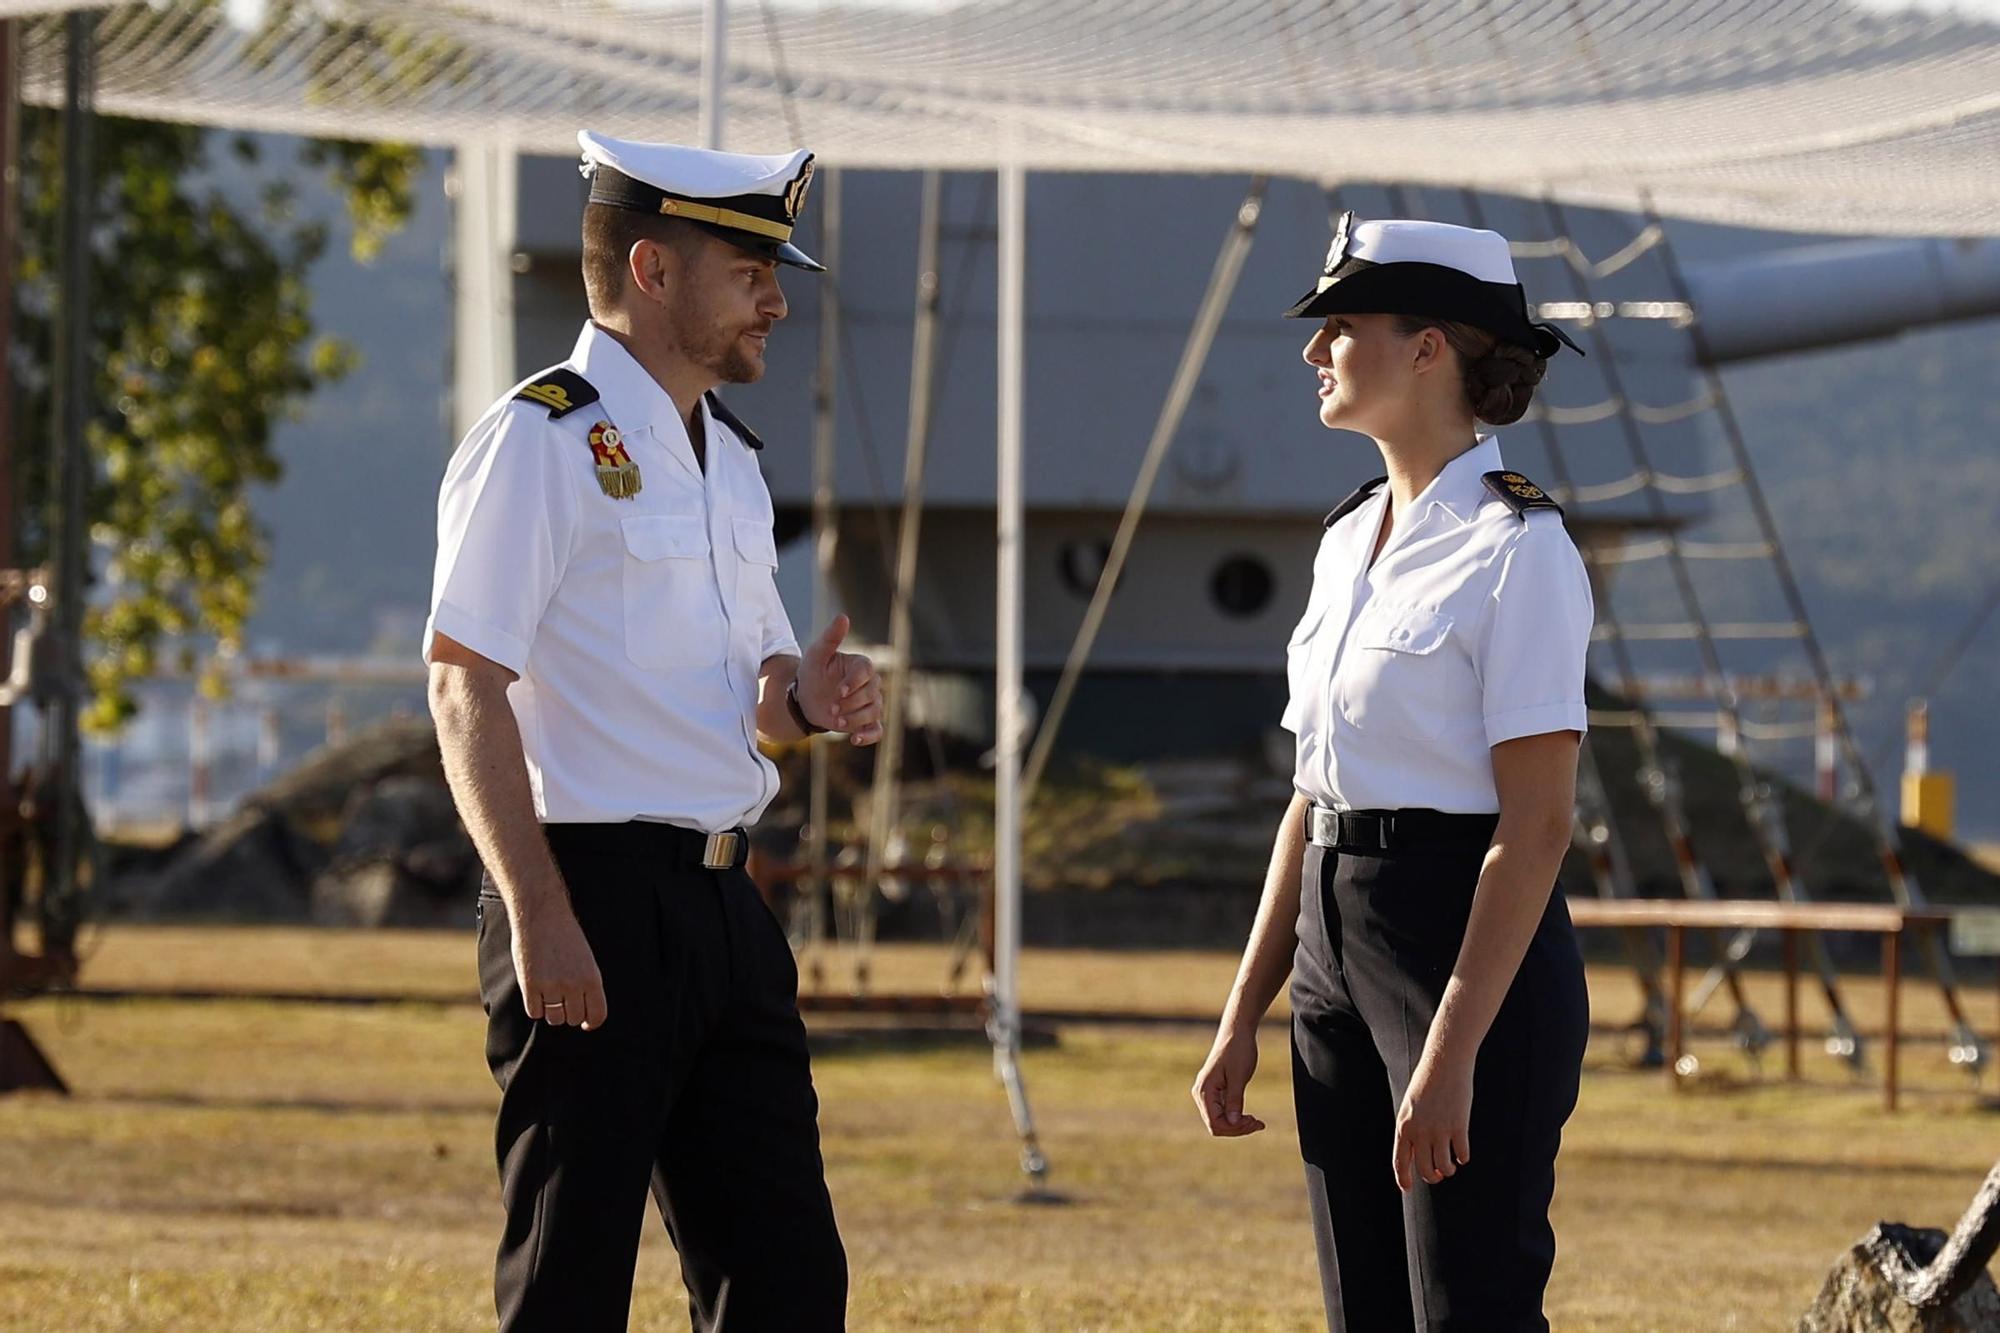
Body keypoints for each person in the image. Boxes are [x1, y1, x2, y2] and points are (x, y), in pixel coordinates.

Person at [424, 130, 879, 1332]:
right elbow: (461, 683)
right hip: (590, 898)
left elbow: (750, 686)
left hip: (727, 909)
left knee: (785, 1283)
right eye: (751, 273)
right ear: (653, 270)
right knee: (569, 1280)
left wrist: (806, 701)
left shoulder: (726, 457)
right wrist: (539, 909)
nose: (777, 302)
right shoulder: (538, 438)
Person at [1191, 213, 1595, 1331]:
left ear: (1430, 348)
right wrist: (1242, 1013)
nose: (1312, 351)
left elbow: (1537, 825)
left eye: (1341, 326)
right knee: (1361, 1308)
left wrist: (1451, 1048)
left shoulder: (1518, 551)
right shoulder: (1344, 539)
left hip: (1458, 942)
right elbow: (1312, 797)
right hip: (1332, 940)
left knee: (1466, 1307)